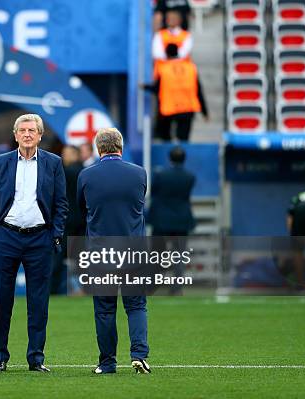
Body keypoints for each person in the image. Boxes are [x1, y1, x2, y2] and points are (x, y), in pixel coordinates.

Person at [0, 113, 68, 373]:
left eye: (32, 130)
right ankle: (0, 357)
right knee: (1, 300)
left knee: (39, 301)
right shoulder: (1, 163)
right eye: (23, 130)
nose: (27, 134)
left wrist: (55, 233)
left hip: (40, 238)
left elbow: (61, 203)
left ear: (40, 135)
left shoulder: (53, 163)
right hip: (6, 236)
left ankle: (36, 358)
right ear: (16, 134)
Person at [77, 128, 150, 375]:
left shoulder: (86, 176)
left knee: (105, 309)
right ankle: (139, 354)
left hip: (100, 252)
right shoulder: (139, 173)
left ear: (99, 149)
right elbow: (139, 203)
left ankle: (107, 363)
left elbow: (81, 209)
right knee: (136, 305)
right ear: (120, 146)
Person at [148, 146, 195, 294]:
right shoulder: (190, 176)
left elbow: (154, 192)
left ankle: (152, 286)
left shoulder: (161, 175)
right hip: (182, 219)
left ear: (169, 159)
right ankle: (176, 288)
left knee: (156, 254)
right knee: (179, 255)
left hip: (161, 220)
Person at [147, 43, 208, 141]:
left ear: (166, 54)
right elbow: (198, 90)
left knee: (166, 139)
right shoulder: (190, 68)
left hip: (168, 108)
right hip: (188, 108)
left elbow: (156, 88)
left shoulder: (163, 69)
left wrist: (145, 87)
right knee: (183, 140)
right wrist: (205, 112)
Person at [51, 145, 84, 294]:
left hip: (65, 221)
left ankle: (52, 288)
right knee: (83, 257)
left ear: (76, 155)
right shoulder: (87, 172)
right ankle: (84, 289)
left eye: (67, 154)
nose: (63, 157)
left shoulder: (66, 173)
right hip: (84, 220)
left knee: (57, 256)